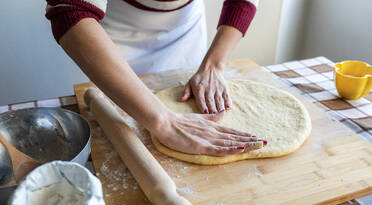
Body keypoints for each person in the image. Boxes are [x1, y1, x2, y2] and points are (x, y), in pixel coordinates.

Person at [45, 0, 267, 156]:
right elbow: (70, 9)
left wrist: (214, 64)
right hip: (109, 41)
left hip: (185, 32)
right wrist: (164, 122)